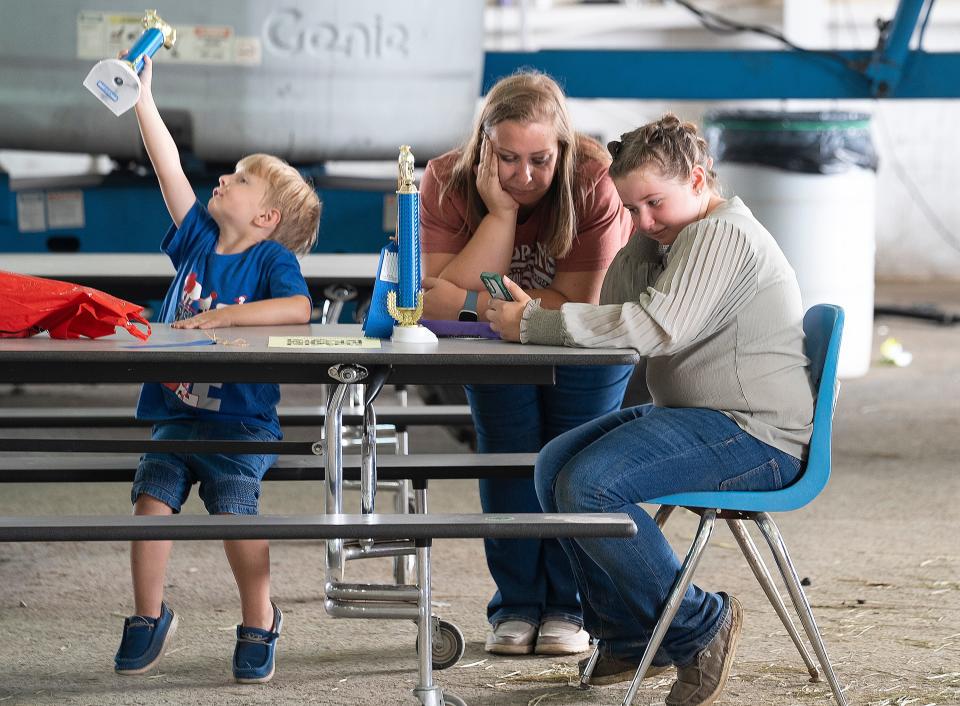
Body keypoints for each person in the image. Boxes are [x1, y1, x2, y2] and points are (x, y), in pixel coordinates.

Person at [486, 114, 814, 706]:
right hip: (700, 417)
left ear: (698, 177)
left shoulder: (723, 234)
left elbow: (653, 328)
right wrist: (642, 234)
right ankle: (635, 634)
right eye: (631, 207)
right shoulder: (672, 236)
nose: (644, 220)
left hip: (754, 435)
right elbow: (615, 311)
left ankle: (697, 624)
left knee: (588, 486)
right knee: (553, 465)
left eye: (654, 203)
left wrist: (534, 321)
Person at [113, 54, 320, 684]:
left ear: (265, 218)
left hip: (241, 423)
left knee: (235, 506)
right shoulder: (198, 239)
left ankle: (260, 619)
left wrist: (227, 319)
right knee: (152, 499)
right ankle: (148, 615)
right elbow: (168, 168)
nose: (222, 179)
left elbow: (299, 308)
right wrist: (143, 99)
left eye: (239, 179)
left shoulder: (269, 261)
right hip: (175, 414)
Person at [419, 71, 635, 656]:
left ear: (562, 147)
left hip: (584, 345)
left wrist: (472, 305)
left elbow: (579, 305)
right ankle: (514, 605)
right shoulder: (444, 178)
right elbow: (426, 299)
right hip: (492, 344)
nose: (526, 175)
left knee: (572, 461)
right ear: (483, 146)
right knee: (508, 458)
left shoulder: (594, 179)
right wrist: (501, 216)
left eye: (540, 159)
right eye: (507, 158)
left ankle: (570, 606)